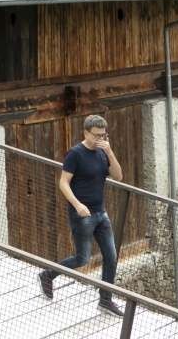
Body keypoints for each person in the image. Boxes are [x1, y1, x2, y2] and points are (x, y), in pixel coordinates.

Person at [38, 114, 124, 317]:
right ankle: (47, 275)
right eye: (96, 135)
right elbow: (63, 183)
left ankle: (105, 300)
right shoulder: (75, 154)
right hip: (82, 215)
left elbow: (119, 176)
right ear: (86, 132)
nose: (99, 139)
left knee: (111, 257)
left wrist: (110, 151)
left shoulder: (103, 152)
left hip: (101, 213)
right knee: (82, 258)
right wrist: (77, 205)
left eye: (103, 135)